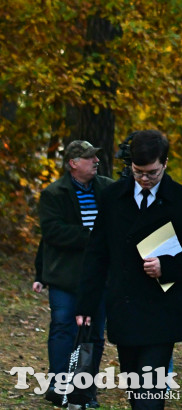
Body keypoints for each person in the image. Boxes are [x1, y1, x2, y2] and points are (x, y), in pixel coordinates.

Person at [76, 129, 182, 410]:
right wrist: (86, 305)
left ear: (164, 163)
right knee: (136, 391)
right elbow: (96, 254)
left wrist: (168, 266)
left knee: (149, 395)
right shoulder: (113, 197)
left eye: (151, 172)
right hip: (124, 307)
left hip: (161, 310)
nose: (144, 178)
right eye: (137, 171)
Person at [38, 140, 114, 408]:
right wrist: (92, 237)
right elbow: (52, 231)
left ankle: (84, 389)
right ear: (73, 163)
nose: (96, 161)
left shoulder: (107, 187)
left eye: (96, 157)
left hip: (99, 276)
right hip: (65, 278)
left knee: (93, 334)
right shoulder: (54, 193)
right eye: (89, 158)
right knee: (63, 329)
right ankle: (59, 386)